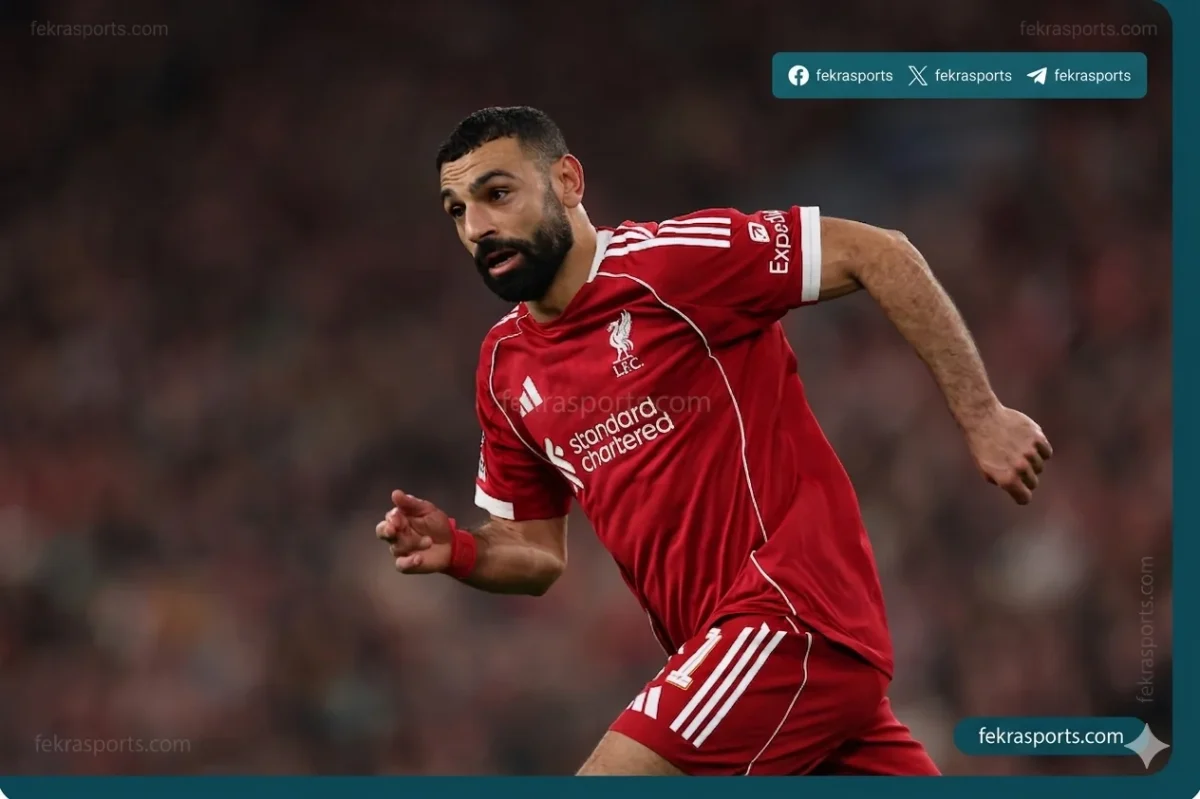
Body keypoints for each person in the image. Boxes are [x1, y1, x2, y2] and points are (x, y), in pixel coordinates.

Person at [375, 106, 1052, 776]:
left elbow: (878, 251)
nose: (478, 227)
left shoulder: (673, 265)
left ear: (568, 181)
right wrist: (462, 550)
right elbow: (536, 552)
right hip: (743, 659)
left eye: (497, 194)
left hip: (789, 617)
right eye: (458, 211)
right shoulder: (503, 366)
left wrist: (982, 415)